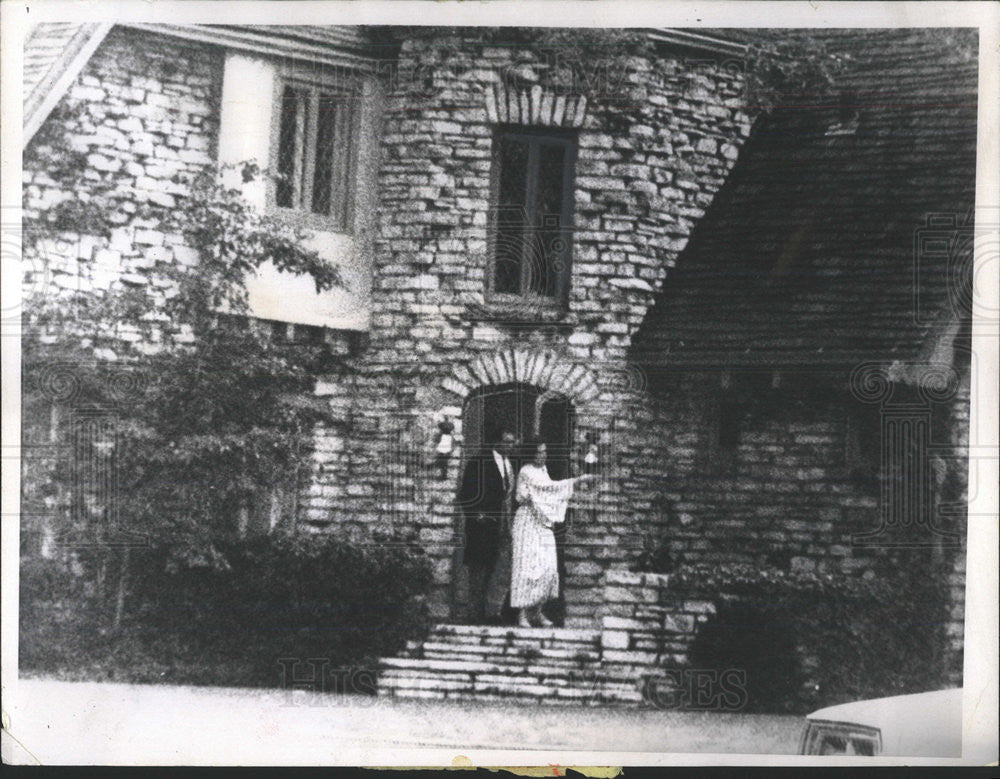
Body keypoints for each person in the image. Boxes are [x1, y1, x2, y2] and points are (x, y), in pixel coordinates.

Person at [510, 439, 597, 628]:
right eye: (540, 452)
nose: (544, 455)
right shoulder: (526, 471)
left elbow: (549, 494)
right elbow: (547, 489)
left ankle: (537, 610)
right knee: (529, 566)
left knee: (548, 566)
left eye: (545, 451)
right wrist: (577, 480)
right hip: (528, 522)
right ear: (531, 454)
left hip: (542, 522)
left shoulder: (543, 471)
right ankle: (523, 613)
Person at [457, 428, 517, 624]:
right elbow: (466, 493)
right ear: (496, 443)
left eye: (512, 443)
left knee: (499, 568)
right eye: (506, 442)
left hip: (503, 525)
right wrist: (476, 515)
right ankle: (473, 614)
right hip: (482, 526)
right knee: (479, 569)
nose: (510, 446)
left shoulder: (510, 465)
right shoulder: (479, 462)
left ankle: (492, 612)